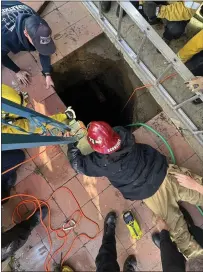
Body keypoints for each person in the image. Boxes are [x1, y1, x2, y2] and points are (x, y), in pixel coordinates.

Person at [67, 121, 203, 258]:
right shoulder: (124, 135)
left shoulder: (102, 163)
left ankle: (196, 257)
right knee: (199, 193)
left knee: (179, 235)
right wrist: (196, 185)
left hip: (151, 193)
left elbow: (78, 164)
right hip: (164, 172)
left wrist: (70, 143)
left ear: (98, 150)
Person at [2, 1, 56, 89]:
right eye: (36, 43)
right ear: (26, 33)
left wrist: (47, 73)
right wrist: (17, 71)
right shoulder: (6, 39)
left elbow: (43, 47)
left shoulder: (35, 19)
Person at [2, 84, 72, 135]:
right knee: (28, 124)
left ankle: (66, 116)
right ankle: (22, 99)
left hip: (11, 107)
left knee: (30, 126)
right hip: (10, 103)